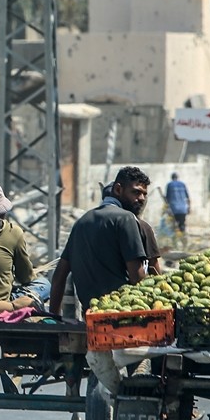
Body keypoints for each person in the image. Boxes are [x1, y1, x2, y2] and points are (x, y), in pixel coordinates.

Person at [49, 167, 150, 394]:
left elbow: (59, 277)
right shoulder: (126, 220)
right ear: (117, 189)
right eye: (136, 192)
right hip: (124, 318)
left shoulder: (83, 221)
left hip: (89, 315)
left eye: (144, 194)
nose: (141, 198)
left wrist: (53, 320)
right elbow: (137, 278)